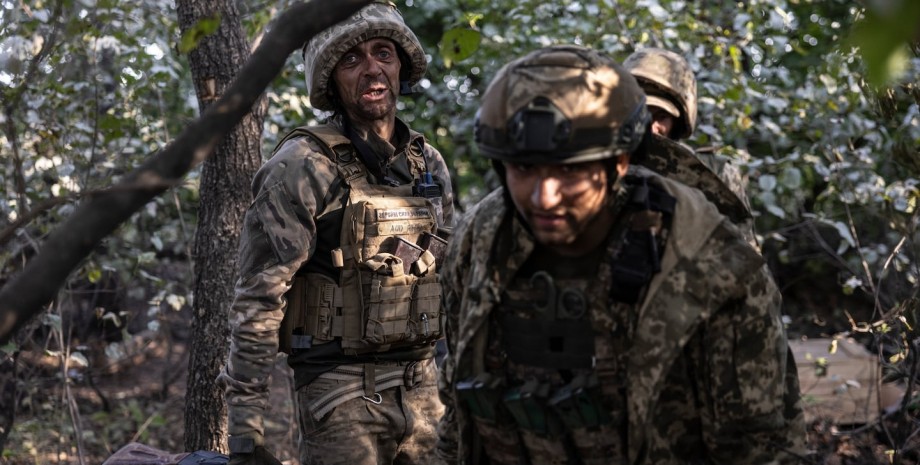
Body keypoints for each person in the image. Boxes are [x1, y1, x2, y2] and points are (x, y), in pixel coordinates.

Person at [435, 45, 806, 465]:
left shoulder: (711, 262)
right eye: (524, 169)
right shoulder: (482, 240)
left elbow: (762, 446)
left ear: (621, 161)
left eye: (571, 169)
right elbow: (458, 412)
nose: (545, 197)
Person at [220, 2, 453, 464]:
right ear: (329, 78)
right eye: (352, 59)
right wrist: (245, 432)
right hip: (341, 393)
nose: (372, 70)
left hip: (426, 390)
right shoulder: (302, 166)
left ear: (400, 63)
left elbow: (452, 281)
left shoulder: (429, 164)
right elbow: (259, 297)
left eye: (383, 53)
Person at [624, 47, 756, 245]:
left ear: (678, 122)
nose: (651, 127)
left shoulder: (711, 172)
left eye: (661, 117)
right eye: (642, 113)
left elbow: (744, 252)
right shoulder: (601, 163)